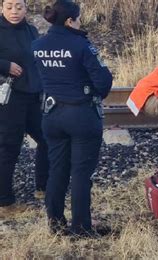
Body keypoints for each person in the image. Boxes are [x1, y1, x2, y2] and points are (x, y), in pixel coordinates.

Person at [31, 0, 113, 236]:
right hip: (82, 116)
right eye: (78, 19)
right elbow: (103, 84)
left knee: (57, 170)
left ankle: (55, 225)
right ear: (69, 21)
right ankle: (81, 228)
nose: (79, 22)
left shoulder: (38, 45)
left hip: (51, 115)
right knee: (80, 173)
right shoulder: (81, 45)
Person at [0, 0, 49, 218]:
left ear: (26, 8)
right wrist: (4, 65)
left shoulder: (31, 30)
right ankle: (4, 203)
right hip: (9, 99)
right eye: (9, 6)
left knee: (47, 138)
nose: (14, 11)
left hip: (32, 97)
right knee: (9, 147)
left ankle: (43, 187)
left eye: (19, 6)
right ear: (1, 8)